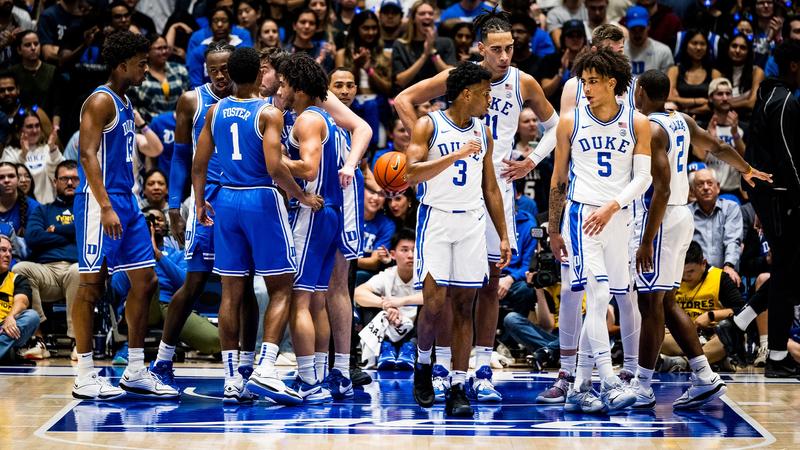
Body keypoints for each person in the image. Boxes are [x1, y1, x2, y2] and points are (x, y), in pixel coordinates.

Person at [395, 10, 558, 404]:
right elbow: (404, 98)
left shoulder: (524, 81)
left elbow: (558, 125)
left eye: (510, 49)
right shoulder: (459, 79)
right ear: (480, 48)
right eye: (497, 49)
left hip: (494, 187)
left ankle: (480, 370)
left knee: (485, 287)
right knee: (444, 293)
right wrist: (435, 137)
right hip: (449, 188)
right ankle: (440, 366)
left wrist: (531, 160)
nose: (505, 56)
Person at [631, 69, 770, 409]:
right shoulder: (681, 120)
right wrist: (746, 168)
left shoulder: (651, 128)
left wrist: (647, 238)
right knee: (663, 302)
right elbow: (720, 147)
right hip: (681, 218)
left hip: (662, 218)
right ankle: (704, 376)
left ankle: (642, 385)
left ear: (643, 93)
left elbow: (660, 189)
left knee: (650, 303)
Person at [193, 47, 322, 404]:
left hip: (226, 201)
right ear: (258, 76)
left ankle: (233, 378)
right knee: (282, 287)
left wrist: (201, 200)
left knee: (231, 293)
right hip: (260, 200)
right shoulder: (269, 112)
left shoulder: (215, 109)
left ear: (232, 74)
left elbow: (199, 163)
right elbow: (274, 166)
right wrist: (300, 195)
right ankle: (266, 368)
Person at [71, 31, 176, 400]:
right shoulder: (100, 101)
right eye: (141, 63)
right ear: (121, 65)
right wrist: (104, 205)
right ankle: (84, 373)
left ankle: (135, 369)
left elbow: (150, 147)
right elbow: (87, 156)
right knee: (91, 285)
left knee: (146, 283)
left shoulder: (126, 102)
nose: (146, 68)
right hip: (100, 201)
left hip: (127, 202)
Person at [548, 47, 651, 413]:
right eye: (583, 81)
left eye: (593, 82)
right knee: (599, 292)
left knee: (615, 295)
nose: (586, 88)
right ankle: (608, 380)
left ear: (612, 83)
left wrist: (614, 206)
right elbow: (559, 179)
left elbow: (644, 177)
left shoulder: (637, 122)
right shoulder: (570, 121)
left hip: (618, 216)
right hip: (583, 217)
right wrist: (554, 227)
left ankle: (579, 385)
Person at [406, 61, 510, 416]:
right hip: (435, 219)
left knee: (466, 306)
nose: (490, 99)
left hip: (471, 223)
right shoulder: (428, 125)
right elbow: (410, 174)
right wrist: (455, 155)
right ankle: (423, 364)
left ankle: (457, 385)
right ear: (467, 93)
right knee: (435, 306)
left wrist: (504, 234)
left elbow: (491, 188)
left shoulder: (484, 132)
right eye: (485, 92)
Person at [153, 44, 235, 393]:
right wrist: (174, 206)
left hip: (238, 199)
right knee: (195, 283)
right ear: (205, 69)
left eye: (227, 68)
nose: (221, 74)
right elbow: (180, 158)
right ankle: (162, 361)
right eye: (214, 69)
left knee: (240, 286)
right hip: (205, 201)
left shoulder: (252, 99)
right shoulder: (191, 100)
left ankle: (242, 367)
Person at [276, 53, 344, 403]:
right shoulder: (324, 118)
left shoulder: (306, 121)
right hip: (329, 213)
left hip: (313, 212)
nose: (281, 89)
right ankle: (316, 373)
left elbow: (307, 166)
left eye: (285, 83)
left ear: (298, 88)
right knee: (315, 300)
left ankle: (307, 380)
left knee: (297, 300)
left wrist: (272, 156)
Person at [746, 40, 800, 378]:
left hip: (774, 198)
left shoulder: (768, 97)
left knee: (788, 274)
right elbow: (788, 158)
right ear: (794, 65)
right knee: (787, 274)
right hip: (783, 198)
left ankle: (772, 350)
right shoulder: (781, 103)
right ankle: (774, 353)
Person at [12, 160, 79, 360]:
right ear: (54, 181)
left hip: (76, 269)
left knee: (78, 270)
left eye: (75, 178)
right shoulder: (42, 210)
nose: (69, 182)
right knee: (21, 268)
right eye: (64, 178)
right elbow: (33, 237)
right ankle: (38, 340)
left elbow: (88, 233)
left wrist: (56, 229)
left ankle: (78, 341)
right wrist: (72, 234)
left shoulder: (88, 209)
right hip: (46, 271)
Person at [664, 241, 745, 368]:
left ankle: (684, 362)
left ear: (703, 263)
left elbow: (742, 310)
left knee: (730, 336)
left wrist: (711, 316)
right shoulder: (672, 278)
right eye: (682, 271)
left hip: (713, 334)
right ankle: (711, 359)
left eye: (691, 271)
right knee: (656, 335)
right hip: (682, 336)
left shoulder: (720, 277)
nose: (686, 276)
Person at [354, 228, 422, 369]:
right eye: (404, 250)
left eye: (414, 250)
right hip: (388, 329)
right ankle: (385, 347)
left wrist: (401, 301)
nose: (410, 255)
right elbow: (358, 293)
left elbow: (435, 297)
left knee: (432, 306)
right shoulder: (387, 275)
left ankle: (411, 348)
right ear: (393, 254)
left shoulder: (424, 277)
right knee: (369, 305)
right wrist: (386, 305)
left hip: (414, 334)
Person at [688, 168, 744, 286]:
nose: (706, 187)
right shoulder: (686, 213)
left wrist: (729, 266)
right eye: (700, 184)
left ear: (718, 187)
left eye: (709, 183)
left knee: (732, 288)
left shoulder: (731, 208)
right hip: (694, 278)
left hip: (725, 273)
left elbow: (733, 241)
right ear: (692, 191)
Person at [392, 1, 457, 91]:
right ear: (413, 18)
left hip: (438, 97)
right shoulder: (400, 45)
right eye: (422, 14)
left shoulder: (446, 42)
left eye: (430, 14)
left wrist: (432, 52)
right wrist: (425, 55)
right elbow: (401, 81)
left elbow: (452, 76)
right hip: (411, 95)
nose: (427, 17)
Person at [2, 111, 63, 204]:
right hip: (20, 207)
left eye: (37, 125)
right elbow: (7, 180)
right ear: (20, 129)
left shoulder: (47, 149)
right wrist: (23, 155)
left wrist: (53, 150)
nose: (34, 130)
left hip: (47, 206)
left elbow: (61, 175)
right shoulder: (10, 152)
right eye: (30, 126)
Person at [129, 35, 190, 123]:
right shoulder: (139, 74)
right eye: (159, 48)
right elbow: (133, 107)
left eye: (165, 47)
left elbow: (187, 99)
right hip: (148, 128)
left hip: (177, 125)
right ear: (148, 52)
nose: (164, 51)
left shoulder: (180, 70)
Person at [703, 78, 746, 199]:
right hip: (706, 190)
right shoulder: (702, 126)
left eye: (728, 93)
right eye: (720, 94)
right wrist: (709, 137)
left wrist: (735, 134)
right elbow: (699, 157)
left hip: (733, 191)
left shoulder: (742, 127)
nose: (725, 98)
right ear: (711, 98)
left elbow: (746, 159)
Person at [667, 29, 721, 118]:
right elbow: (668, 98)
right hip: (677, 119)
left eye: (702, 44)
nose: (698, 48)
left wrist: (685, 108)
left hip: (706, 119)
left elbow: (715, 102)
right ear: (686, 45)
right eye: (694, 43)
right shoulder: (674, 70)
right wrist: (697, 101)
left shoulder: (715, 73)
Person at [0, 235, 36, 362]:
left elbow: (22, 301)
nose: (8, 255)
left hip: (6, 328)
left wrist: (10, 317)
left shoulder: (18, 279)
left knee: (32, 317)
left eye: (10, 251)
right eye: (3, 250)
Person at [623, 6, 673, 76]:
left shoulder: (663, 51)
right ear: (627, 27)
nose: (637, 34)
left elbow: (667, 84)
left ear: (649, 25)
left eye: (641, 29)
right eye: (633, 29)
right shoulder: (619, 52)